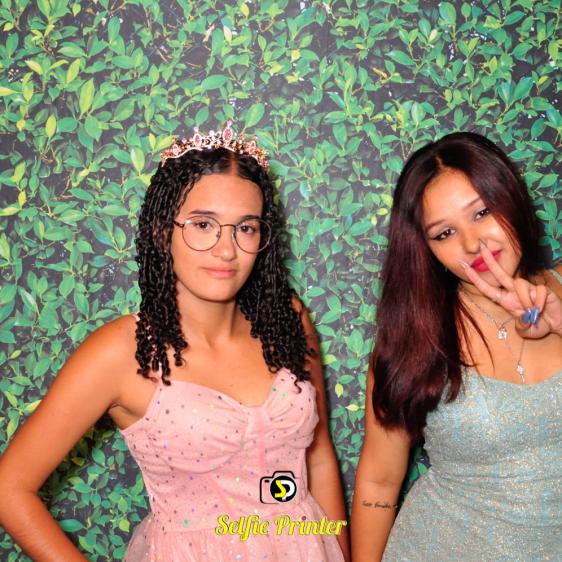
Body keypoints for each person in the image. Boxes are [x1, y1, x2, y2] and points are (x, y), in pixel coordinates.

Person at [0, 122, 349, 561]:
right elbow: (9, 488)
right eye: (203, 224)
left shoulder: (287, 319)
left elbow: (317, 458)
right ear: (163, 230)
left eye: (245, 228)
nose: (227, 249)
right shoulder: (121, 352)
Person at [351, 131, 562, 561]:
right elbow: (378, 484)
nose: (472, 244)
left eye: (482, 212)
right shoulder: (413, 341)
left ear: (510, 196)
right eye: (445, 233)